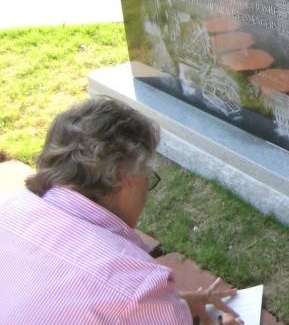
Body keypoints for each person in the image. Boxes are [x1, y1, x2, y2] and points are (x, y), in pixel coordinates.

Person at [0, 98, 241, 324]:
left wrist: (171, 305)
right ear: (122, 176)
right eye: (148, 177)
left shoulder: (8, 212)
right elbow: (123, 297)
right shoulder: (137, 289)